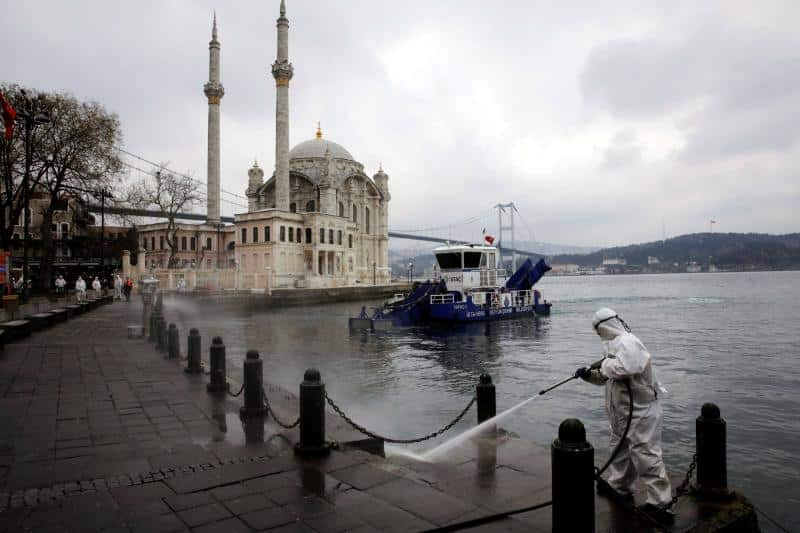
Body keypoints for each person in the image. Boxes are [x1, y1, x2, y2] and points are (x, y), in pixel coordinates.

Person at [575, 308, 672, 522]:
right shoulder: (611, 346)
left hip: (641, 411)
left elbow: (626, 367)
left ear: (606, 326)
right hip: (622, 413)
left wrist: (604, 363)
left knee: (646, 455)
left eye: (599, 330)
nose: (599, 334)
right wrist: (588, 375)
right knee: (620, 450)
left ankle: (661, 503)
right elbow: (606, 377)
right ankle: (619, 485)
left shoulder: (628, 342)